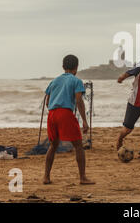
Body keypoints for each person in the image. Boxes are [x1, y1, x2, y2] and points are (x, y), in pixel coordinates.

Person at [43, 54, 94, 185]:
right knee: (78, 146)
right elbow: (79, 101)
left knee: (53, 146)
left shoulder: (54, 81)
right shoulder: (76, 81)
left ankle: (46, 177)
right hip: (65, 113)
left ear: (63, 67)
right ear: (76, 67)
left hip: (52, 114)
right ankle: (83, 178)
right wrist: (84, 120)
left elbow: (47, 102)